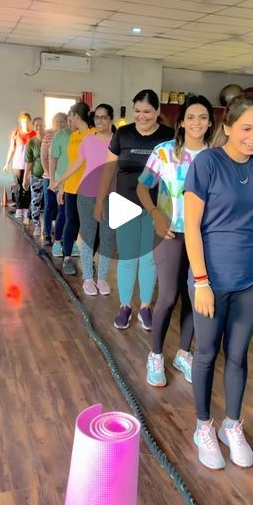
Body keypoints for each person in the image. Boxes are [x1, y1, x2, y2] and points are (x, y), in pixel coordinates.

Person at [183, 94, 253, 470]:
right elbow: (191, 226)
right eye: (246, 128)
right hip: (212, 278)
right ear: (226, 127)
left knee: (239, 355)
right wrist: (202, 281)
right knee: (207, 354)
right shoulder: (207, 164)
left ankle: (231, 425)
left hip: (251, 278)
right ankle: (203, 427)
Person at [137, 96, 215, 387]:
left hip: (204, 237)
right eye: (191, 117)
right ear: (181, 121)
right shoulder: (164, 151)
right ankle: (155, 355)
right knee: (168, 296)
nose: (197, 122)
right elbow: (143, 187)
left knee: (194, 299)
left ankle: (184, 353)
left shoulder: (215, 156)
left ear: (210, 123)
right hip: (169, 233)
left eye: (203, 117)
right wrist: (156, 215)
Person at [94, 89, 174, 330]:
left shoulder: (169, 136)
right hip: (124, 203)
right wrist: (100, 200)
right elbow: (108, 169)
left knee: (149, 259)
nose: (142, 116)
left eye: (147, 111)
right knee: (128, 258)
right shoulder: (123, 134)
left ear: (157, 111)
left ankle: (146, 307)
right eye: (137, 111)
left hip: (156, 206)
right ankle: (125, 306)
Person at [53, 104, 115, 295]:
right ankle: (88, 279)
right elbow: (76, 164)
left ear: (111, 119)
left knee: (106, 240)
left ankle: (102, 279)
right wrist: (59, 181)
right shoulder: (88, 139)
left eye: (104, 117)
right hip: (87, 194)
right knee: (88, 238)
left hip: (110, 196)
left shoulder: (118, 141)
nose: (100, 120)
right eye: (97, 117)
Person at [55, 102, 95, 275]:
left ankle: (89, 259)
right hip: (71, 187)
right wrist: (62, 187)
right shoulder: (74, 135)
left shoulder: (94, 134)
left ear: (77, 116)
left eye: (70, 116)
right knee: (71, 222)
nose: (69, 119)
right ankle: (67, 258)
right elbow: (72, 163)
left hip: (88, 188)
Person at [41, 112, 67, 246]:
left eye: (62, 121)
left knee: (61, 208)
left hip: (63, 179)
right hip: (49, 178)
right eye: (57, 122)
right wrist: (51, 178)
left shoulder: (69, 135)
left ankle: (60, 234)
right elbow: (43, 157)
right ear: (53, 123)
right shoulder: (49, 135)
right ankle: (46, 234)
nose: (60, 124)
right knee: (49, 206)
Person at [3, 112, 35, 219]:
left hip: (30, 165)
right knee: (18, 187)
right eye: (23, 122)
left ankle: (26, 208)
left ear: (30, 122)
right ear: (21, 122)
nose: (25, 124)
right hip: (17, 165)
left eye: (27, 121)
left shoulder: (34, 134)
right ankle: (19, 208)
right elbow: (12, 149)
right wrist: (6, 164)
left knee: (27, 187)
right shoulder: (16, 133)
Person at [49, 112, 73, 256]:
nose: (69, 124)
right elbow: (52, 159)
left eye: (69, 121)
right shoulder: (60, 135)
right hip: (62, 180)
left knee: (73, 216)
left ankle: (71, 242)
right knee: (63, 212)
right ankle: (57, 242)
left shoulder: (82, 135)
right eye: (68, 121)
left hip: (76, 180)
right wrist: (52, 180)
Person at [23, 117, 45, 236]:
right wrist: (25, 177)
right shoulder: (32, 142)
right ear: (33, 126)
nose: (39, 127)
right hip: (36, 177)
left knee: (50, 204)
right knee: (35, 202)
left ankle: (48, 227)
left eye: (41, 125)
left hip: (50, 177)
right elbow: (29, 162)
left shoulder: (50, 139)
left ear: (45, 126)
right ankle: (37, 226)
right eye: (36, 125)